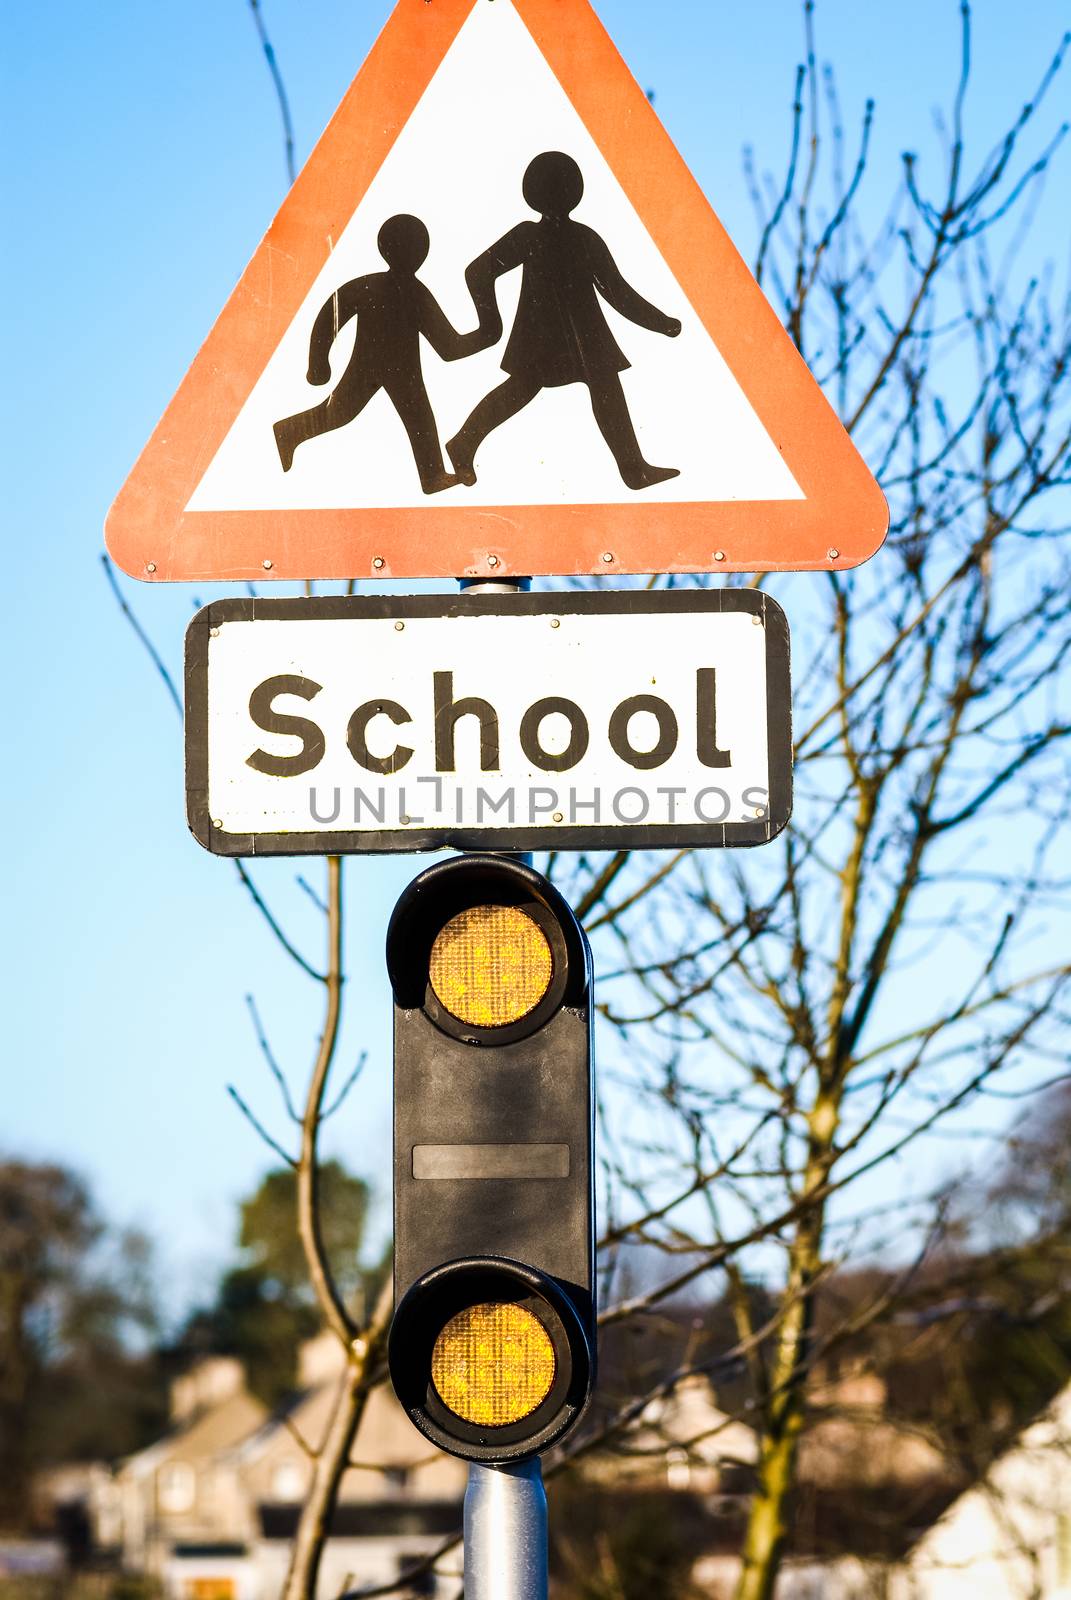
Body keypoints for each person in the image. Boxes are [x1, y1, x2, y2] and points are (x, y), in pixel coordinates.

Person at [446, 151, 682, 491]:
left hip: (583, 335)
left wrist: (660, 322)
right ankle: (463, 443)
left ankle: (634, 470)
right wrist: (490, 323)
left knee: (601, 384)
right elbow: (478, 271)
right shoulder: (536, 235)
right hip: (545, 335)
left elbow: (616, 290)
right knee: (527, 388)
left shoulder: (582, 238)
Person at [273, 214, 480, 494]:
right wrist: (486, 335)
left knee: (410, 417)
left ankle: (432, 476)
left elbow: (447, 346)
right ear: (423, 252)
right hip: (378, 368)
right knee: (354, 414)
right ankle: (290, 431)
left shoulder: (388, 288)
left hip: (396, 370)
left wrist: (318, 364)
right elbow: (449, 347)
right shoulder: (407, 291)